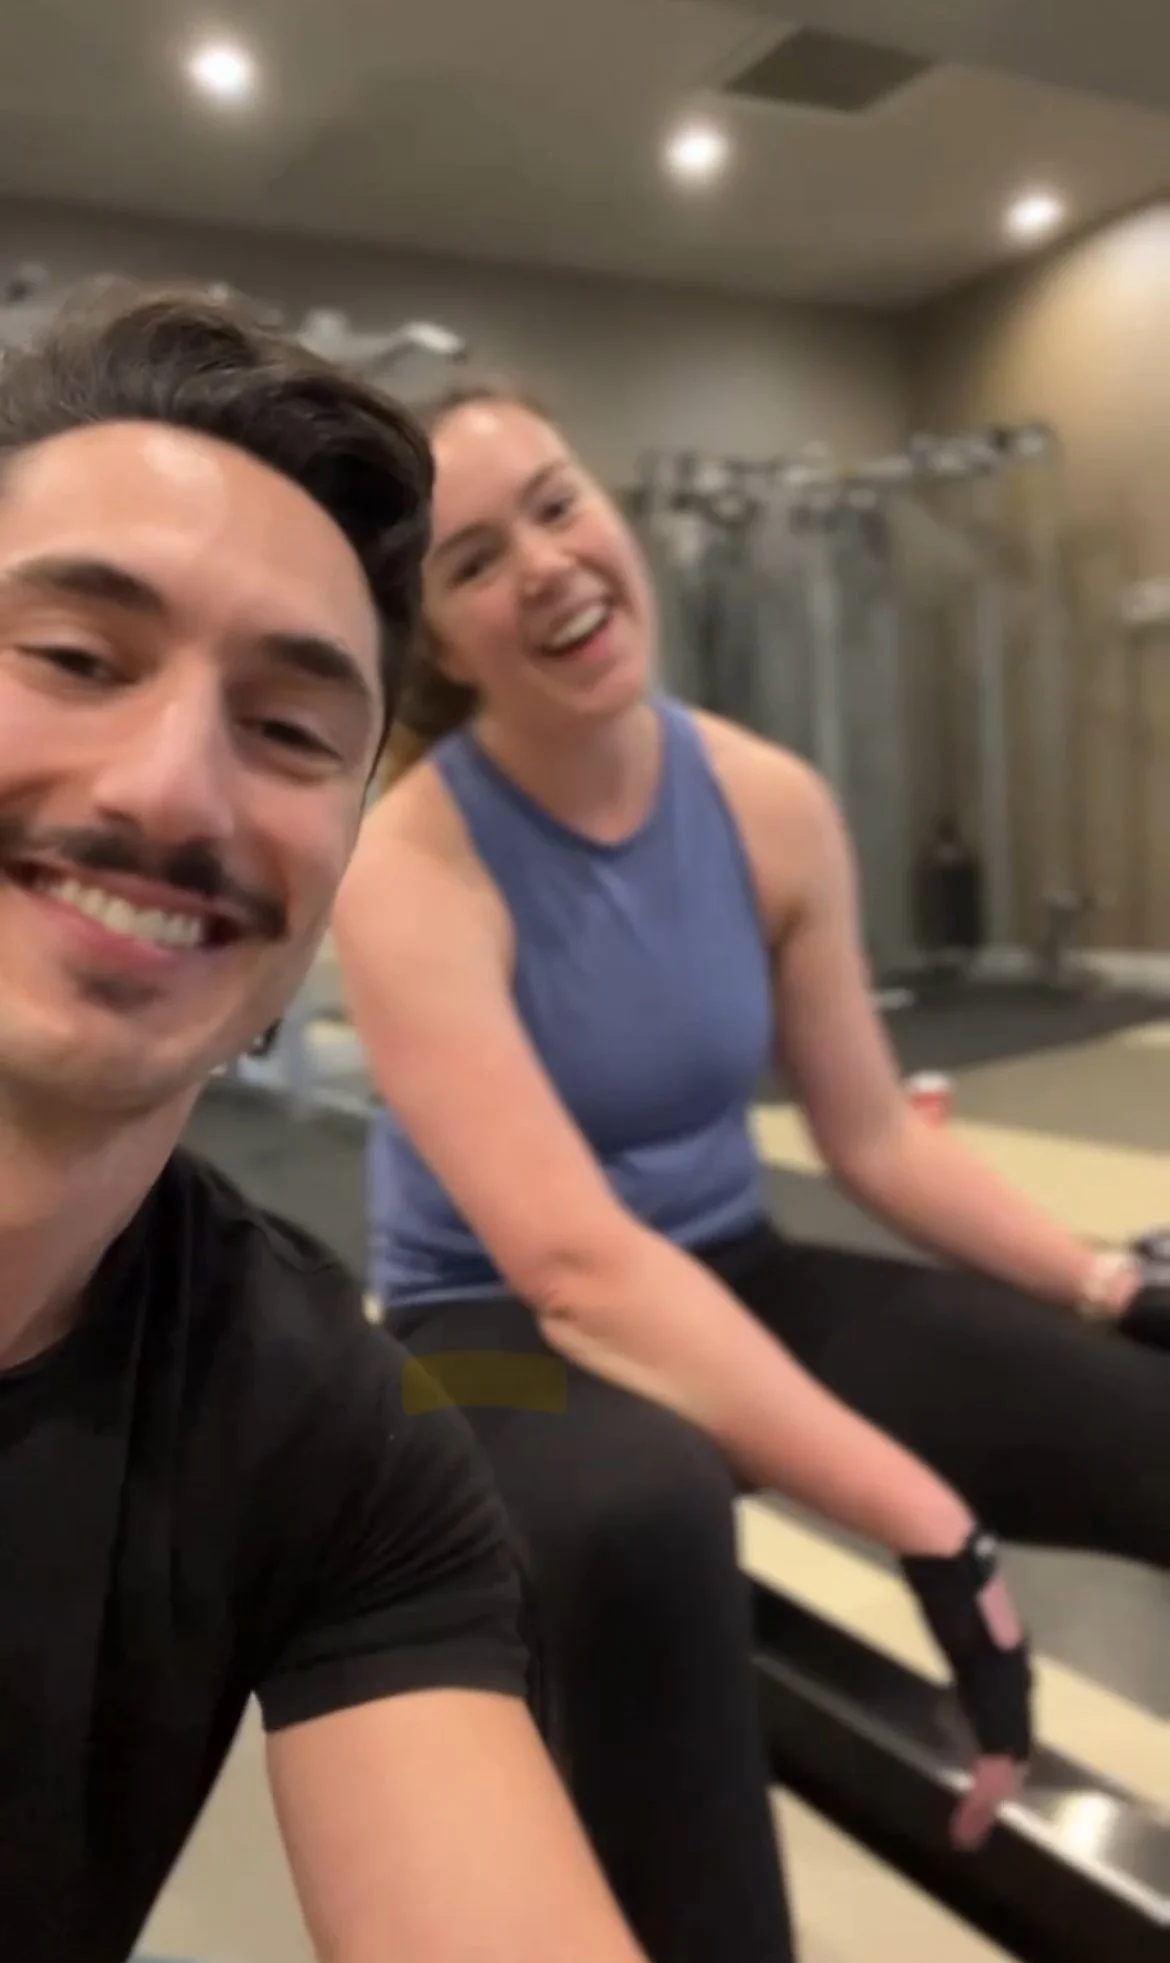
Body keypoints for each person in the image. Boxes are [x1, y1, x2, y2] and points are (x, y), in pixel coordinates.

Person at [335, 381, 1170, 1963]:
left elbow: (870, 1143)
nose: (545, 565)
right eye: (470, 560)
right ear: (436, 639)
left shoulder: (769, 803)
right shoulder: (411, 862)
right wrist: (934, 1527)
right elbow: (572, 1262)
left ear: (615, 515)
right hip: (488, 1332)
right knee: (641, 1524)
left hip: (734, 1271)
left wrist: (1111, 1285)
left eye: (560, 502)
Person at [0, 292, 651, 1963]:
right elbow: (570, 1261)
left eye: (290, 730)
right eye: (75, 656)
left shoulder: (326, 1430)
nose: (172, 790)